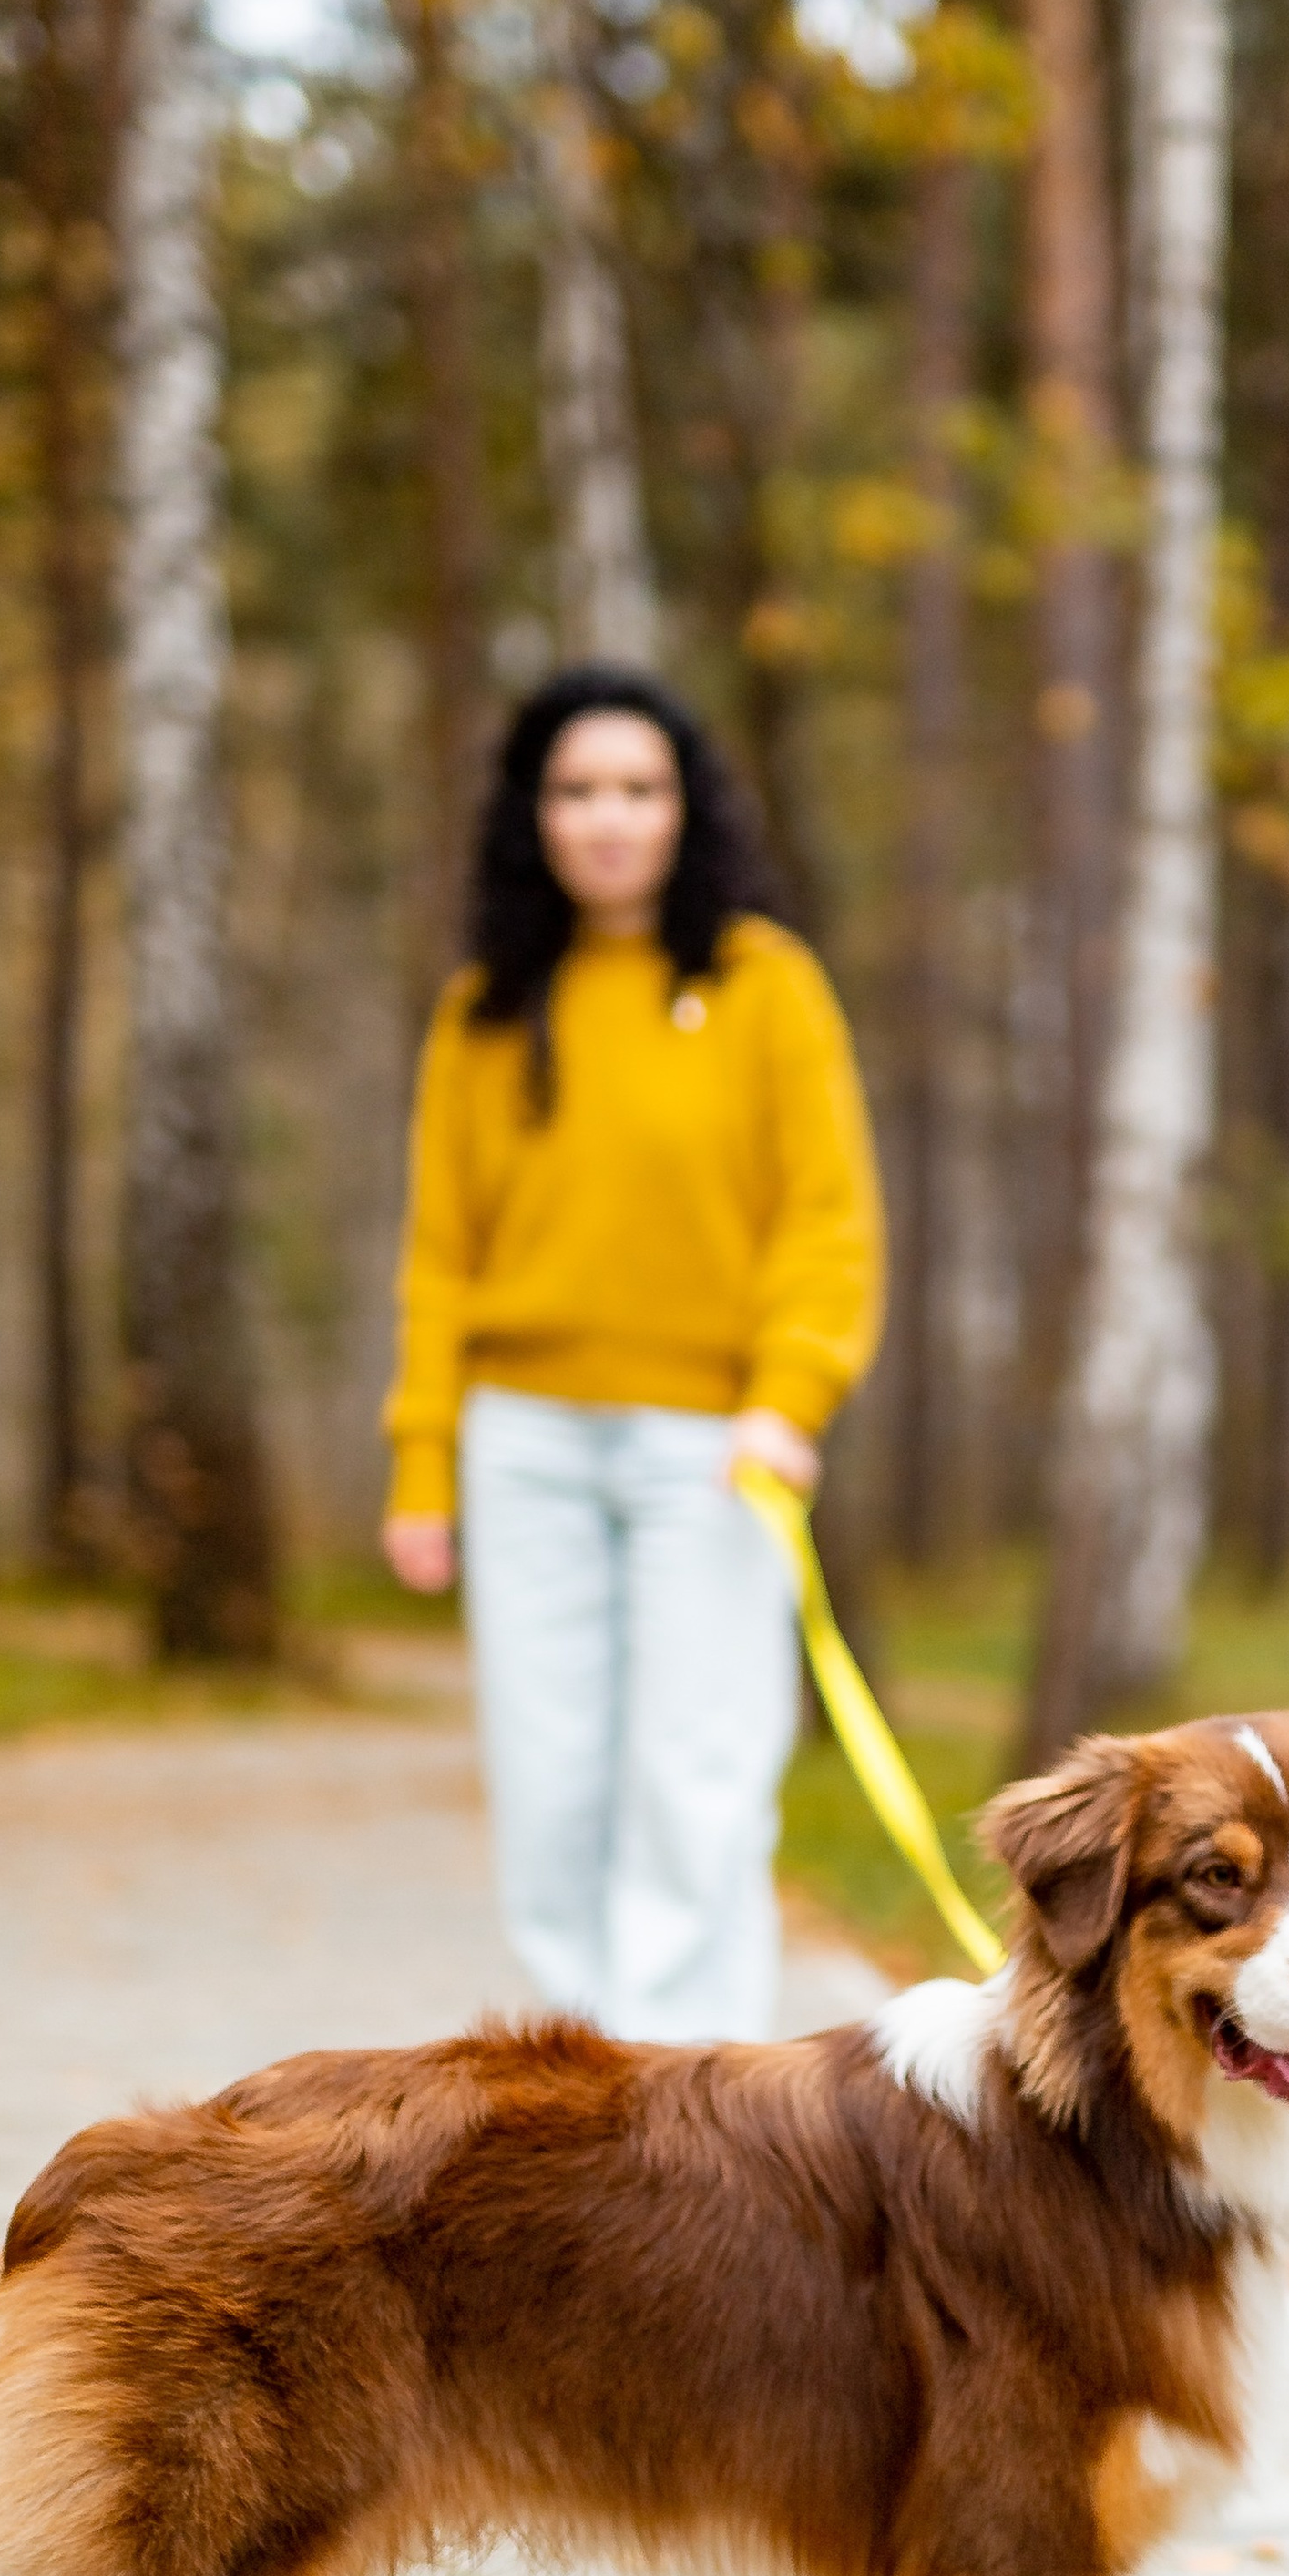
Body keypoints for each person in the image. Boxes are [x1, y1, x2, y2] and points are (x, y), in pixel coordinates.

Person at [381, 666, 885, 2045]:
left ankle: (687, 2097)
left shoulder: (765, 984)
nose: (610, 819)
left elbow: (828, 1217)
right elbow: (440, 1255)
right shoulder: (486, 1011)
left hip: (711, 1447)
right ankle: (582, 2082)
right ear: (533, 816)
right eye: (579, 791)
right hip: (523, 1440)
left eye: (640, 790)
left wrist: (789, 1398)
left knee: (695, 1781)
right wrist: (423, 1466)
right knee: (551, 1790)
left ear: (686, 807)